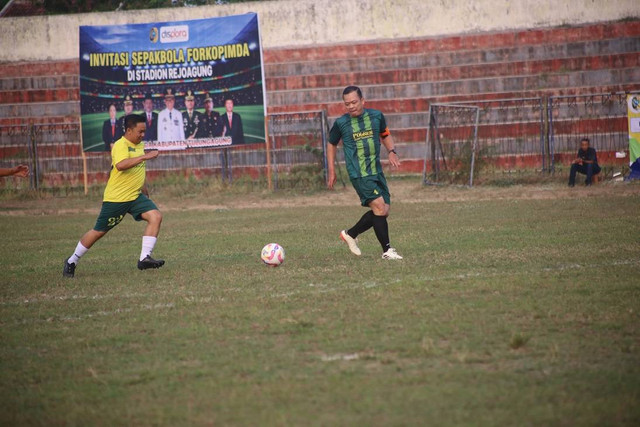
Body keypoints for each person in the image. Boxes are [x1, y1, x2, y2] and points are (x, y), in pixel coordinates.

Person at [63, 114, 164, 278]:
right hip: (116, 199)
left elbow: (137, 170)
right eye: (140, 131)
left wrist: (144, 190)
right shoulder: (120, 145)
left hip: (135, 196)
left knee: (156, 216)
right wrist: (146, 156)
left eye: (144, 132)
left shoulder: (139, 145)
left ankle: (144, 258)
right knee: (98, 232)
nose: (143, 135)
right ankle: (72, 260)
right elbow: (121, 165)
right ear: (129, 130)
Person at [327, 86, 403, 260]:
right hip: (359, 173)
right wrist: (332, 170)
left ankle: (351, 234)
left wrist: (392, 151)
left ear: (362, 101)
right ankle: (387, 251)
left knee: (383, 211)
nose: (351, 106)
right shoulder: (341, 123)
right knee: (379, 207)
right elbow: (331, 144)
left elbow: (385, 134)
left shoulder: (376, 116)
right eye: (347, 104)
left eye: (354, 102)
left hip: (376, 171)